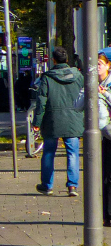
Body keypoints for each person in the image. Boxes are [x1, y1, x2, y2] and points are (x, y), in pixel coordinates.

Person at [33, 46, 83, 197]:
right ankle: (72, 186)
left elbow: (41, 102)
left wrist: (37, 122)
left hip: (52, 120)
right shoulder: (78, 76)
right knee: (73, 153)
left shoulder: (47, 77)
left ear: (53, 60)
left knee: (49, 152)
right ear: (67, 60)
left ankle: (47, 185)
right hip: (74, 119)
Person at [99, 50, 111, 226]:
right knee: (105, 176)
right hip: (103, 134)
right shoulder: (92, 82)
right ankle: (106, 215)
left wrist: (105, 93)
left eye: (99, 64)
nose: (96, 68)